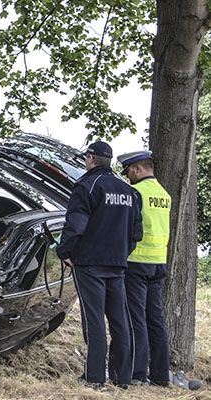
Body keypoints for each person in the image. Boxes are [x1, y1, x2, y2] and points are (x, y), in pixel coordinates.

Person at [56, 141, 142, 390]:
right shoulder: (129, 191)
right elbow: (137, 233)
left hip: (90, 264)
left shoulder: (87, 186)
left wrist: (65, 252)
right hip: (117, 264)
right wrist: (122, 254)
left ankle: (94, 377)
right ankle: (122, 378)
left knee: (94, 321)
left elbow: (76, 226)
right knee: (119, 322)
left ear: (91, 159)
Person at [117, 150, 203, 390]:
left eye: (129, 172)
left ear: (136, 169)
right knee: (156, 319)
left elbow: (128, 227)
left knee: (137, 319)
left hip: (136, 262)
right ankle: (160, 375)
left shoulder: (136, 192)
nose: (128, 178)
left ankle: (136, 372)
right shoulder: (163, 194)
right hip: (158, 263)